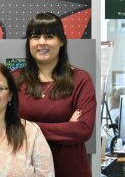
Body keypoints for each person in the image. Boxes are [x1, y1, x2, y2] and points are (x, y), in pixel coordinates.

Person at [12, 12, 96, 177]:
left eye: (49, 36)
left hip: (71, 171)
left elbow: (83, 130)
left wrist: (26, 126)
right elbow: (6, 127)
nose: (42, 42)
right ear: (29, 42)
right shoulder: (15, 79)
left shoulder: (80, 79)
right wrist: (66, 127)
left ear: (62, 41)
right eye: (35, 36)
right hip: (26, 170)